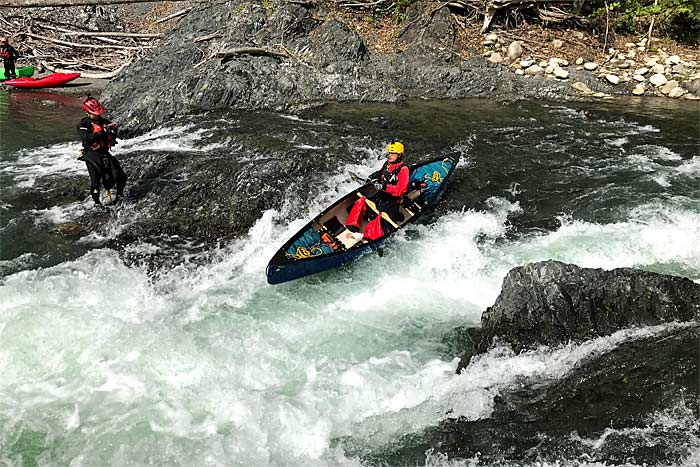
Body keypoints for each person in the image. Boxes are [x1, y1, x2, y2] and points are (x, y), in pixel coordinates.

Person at [345, 141, 410, 240]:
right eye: (389, 153)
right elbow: (380, 173)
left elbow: (401, 190)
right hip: (380, 197)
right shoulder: (387, 163)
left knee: (382, 228)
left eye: (393, 153)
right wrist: (372, 177)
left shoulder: (403, 169)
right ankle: (353, 225)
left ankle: (369, 235)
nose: (390, 155)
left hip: (391, 203)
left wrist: (384, 187)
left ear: (399, 155)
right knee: (360, 203)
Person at [77, 95, 127, 207]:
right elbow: (86, 138)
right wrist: (103, 132)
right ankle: (97, 204)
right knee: (95, 180)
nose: (98, 115)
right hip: (91, 155)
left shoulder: (104, 121)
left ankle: (119, 197)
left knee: (120, 176)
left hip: (104, 153)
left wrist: (113, 131)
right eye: (95, 113)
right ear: (87, 112)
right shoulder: (83, 124)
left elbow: (114, 134)